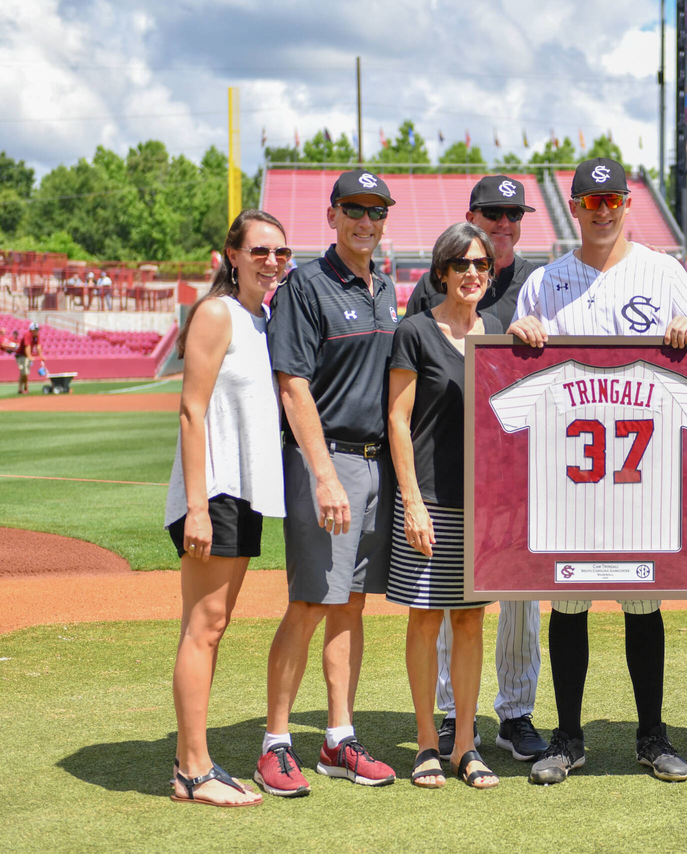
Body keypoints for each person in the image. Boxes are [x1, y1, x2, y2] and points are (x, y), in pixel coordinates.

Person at [507, 158, 687, 785]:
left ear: (629, 204)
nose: (602, 209)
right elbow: (519, 360)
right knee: (568, 605)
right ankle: (568, 737)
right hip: (567, 477)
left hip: (642, 477)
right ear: (574, 207)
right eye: (590, 200)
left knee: (641, 602)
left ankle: (650, 735)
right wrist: (519, 332)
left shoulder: (662, 271)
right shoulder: (546, 282)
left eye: (613, 199)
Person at [256, 169, 401, 797]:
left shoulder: (387, 286)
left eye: (376, 211)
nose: (365, 222)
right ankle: (275, 743)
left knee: (351, 602)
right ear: (333, 214)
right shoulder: (306, 287)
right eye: (354, 210)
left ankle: (338, 738)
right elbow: (293, 385)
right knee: (311, 600)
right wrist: (323, 476)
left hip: (376, 464)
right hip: (329, 461)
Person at [406, 175, 548, 763]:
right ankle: (447, 716)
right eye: (493, 212)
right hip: (447, 467)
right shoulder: (431, 286)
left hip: (515, 465)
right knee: (446, 594)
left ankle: (515, 715)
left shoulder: (537, 284)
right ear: (472, 215)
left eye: (514, 214)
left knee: (519, 595)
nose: (504, 223)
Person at [165, 210, 289, 807]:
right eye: (260, 250)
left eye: (280, 253)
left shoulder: (259, 318)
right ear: (232, 255)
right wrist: (196, 507)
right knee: (206, 629)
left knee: (207, 628)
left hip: (238, 491)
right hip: (214, 494)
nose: (271, 261)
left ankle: (192, 761)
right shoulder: (217, 313)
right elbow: (191, 411)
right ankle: (193, 771)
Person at [388, 223, 504, 790]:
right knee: (424, 617)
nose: (472, 274)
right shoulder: (414, 331)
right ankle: (426, 744)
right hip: (429, 499)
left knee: (470, 621)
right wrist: (411, 500)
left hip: (481, 504)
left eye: (480, 264)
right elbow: (398, 420)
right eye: (461, 264)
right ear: (442, 271)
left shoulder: (499, 330)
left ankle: (465, 745)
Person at [15, 322, 44, 394]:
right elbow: (27, 346)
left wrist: (41, 356)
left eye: (37, 330)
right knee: (24, 372)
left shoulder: (37, 335)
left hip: (26, 355)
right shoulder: (27, 335)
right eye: (35, 330)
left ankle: (20, 389)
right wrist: (29, 357)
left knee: (23, 372)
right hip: (21, 355)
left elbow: (38, 346)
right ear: (31, 330)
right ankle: (25, 388)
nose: (37, 331)